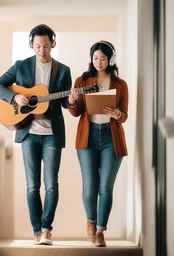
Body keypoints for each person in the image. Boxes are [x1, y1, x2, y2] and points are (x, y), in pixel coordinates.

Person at [0, 24, 72, 245]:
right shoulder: (21, 66)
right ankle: (37, 230)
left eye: (46, 45)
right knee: (32, 185)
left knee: (52, 184)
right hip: (28, 133)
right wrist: (14, 97)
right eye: (37, 46)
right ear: (31, 45)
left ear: (53, 44)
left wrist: (72, 100)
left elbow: (66, 103)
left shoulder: (63, 70)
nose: (41, 50)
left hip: (52, 134)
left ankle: (47, 229)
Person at [68, 41, 128, 247]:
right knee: (89, 187)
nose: (99, 62)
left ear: (110, 59)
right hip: (88, 136)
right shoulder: (82, 80)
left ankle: (101, 230)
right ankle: (91, 222)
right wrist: (72, 101)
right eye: (95, 58)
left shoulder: (120, 84)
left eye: (103, 58)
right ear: (91, 59)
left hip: (111, 138)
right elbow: (75, 113)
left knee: (106, 188)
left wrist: (118, 114)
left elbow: (125, 116)